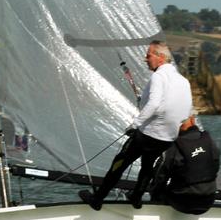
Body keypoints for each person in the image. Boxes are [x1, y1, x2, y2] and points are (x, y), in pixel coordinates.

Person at [79, 41, 192, 211]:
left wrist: (135, 124)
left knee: (120, 162)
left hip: (148, 135)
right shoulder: (183, 80)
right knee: (147, 166)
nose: (145, 59)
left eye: (148, 55)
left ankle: (97, 199)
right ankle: (136, 198)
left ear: (161, 57)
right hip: (166, 138)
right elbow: (186, 109)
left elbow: (154, 103)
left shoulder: (159, 76)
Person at [148, 112, 220, 215]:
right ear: (192, 120)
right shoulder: (209, 141)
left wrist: (154, 192)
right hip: (208, 201)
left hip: (183, 202)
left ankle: (155, 213)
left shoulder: (174, 146)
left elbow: (161, 177)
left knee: (157, 189)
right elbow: (215, 169)